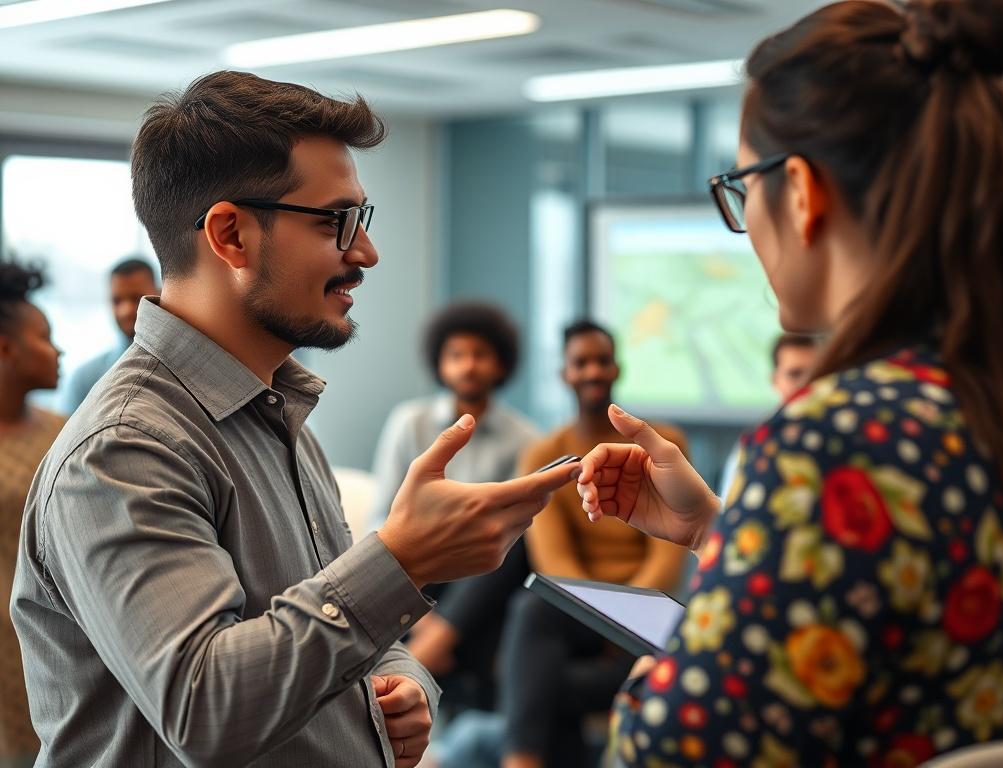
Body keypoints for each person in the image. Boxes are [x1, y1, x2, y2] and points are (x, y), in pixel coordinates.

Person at [9, 71, 579, 768]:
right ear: (231, 235)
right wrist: (402, 560)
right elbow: (205, 709)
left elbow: (344, 628)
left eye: (362, 222)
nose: (364, 253)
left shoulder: (279, 418)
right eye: (336, 222)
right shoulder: (126, 447)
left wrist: (404, 684)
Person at [575, 1, 1003, 765]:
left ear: (803, 193)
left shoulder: (838, 436)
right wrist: (720, 535)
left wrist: (659, 683)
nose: (746, 224)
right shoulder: (989, 395)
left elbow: (677, 754)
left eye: (742, 190)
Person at [500, 320, 689, 768]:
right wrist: (606, 621)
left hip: (648, 613)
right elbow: (555, 562)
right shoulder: (542, 455)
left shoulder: (663, 444)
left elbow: (669, 555)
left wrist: (626, 619)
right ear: (564, 373)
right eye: (580, 363)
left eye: (601, 361)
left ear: (616, 368)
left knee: (541, 683)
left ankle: (521, 757)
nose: (592, 371)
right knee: (531, 608)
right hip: (580, 620)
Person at [375, 303, 540, 711]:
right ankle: (437, 651)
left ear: (501, 365)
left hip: (482, 571)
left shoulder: (525, 438)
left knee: (519, 542)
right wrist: (423, 619)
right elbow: (381, 516)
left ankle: (434, 659)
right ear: (440, 364)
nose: (468, 366)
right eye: (457, 355)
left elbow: (512, 530)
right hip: (418, 567)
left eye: (480, 355)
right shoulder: (409, 422)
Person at [0, 262, 63, 768]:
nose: (58, 350)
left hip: (55, 640)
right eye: (45, 337)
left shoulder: (69, 433)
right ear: (6, 349)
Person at [717, 333, 818, 499]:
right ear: (775, 381)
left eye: (814, 374)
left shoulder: (835, 433)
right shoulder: (757, 442)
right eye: (795, 374)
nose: (805, 383)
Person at [60, 257, 159, 413]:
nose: (125, 310)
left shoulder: (184, 368)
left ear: (159, 294)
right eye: (116, 301)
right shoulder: (85, 379)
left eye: (136, 298)